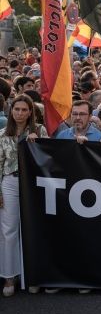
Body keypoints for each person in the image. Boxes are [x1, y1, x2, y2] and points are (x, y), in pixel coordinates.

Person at [0, 95, 47, 296]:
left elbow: (48, 158)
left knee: (33, 228)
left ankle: (33, 275)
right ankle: (9, 276)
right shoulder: (3, 134)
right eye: (16, 109)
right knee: (8, 230)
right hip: (10, 182)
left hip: (33, 183)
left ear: (30, 113)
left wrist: (37, 144)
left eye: (24, 110)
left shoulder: (40, 131)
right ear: (11, 111)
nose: (19, 113)